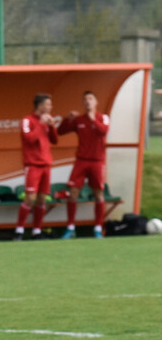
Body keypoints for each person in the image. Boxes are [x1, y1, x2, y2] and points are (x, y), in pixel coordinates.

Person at [56, 90, 110, 239]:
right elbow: (59, 132)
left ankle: (98, 228)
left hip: (97, 161)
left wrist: (93, 119)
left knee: (98, 194)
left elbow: (104, 131)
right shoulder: (79, 120)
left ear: (96, 102)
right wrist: (67, 120)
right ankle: (70, 227)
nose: (88, 102)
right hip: (81, 160)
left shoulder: (103, 118)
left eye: (91, 99)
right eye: (85, 99)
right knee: (73, 192)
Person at [16, 93, 58, 241]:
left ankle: (37, 231)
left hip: (46, 164)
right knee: (30, 198)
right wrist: (41, 124)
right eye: (48, 104)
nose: (50, 107)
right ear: (40, 106)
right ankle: (19, 230)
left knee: (42, 199)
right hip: (33, 165)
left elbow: (55, 140)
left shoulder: (47, 122)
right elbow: (29, 139)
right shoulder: (28, 120)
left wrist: (51, 126)